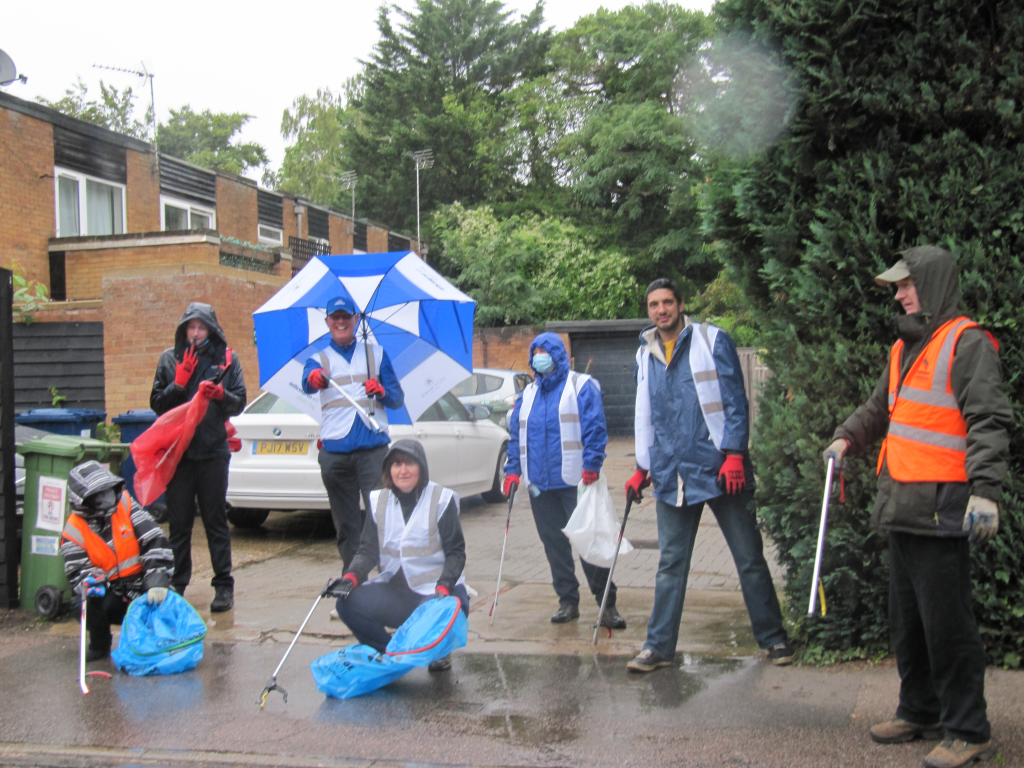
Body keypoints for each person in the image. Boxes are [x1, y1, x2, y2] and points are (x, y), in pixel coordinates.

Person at [823, 246, 1010, 768]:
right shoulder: (905, 348)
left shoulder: (967, 343)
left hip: (943, 508)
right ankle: (920, 710)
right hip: (902, 504)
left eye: (906, 285)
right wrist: (845, 439)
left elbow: (989, 420)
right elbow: (878, 409)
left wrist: (986, 491)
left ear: (932, 285)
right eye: (898, 288)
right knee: (907, 621)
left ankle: (969, 731)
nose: (899, 295)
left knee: (948, 626)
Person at [625, 277, 793, 672]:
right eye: (654, 304)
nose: (661, 310)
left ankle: (774, 638)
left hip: (721, 471)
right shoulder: (644, 355)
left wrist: (734, 454)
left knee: (748, 557)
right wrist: (641, 467)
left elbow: (735, 401)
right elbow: (647, 414)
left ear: (681, 304)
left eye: (667, 302)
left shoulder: (711, 340)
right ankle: (658, 648)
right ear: (648, 310)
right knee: (670, 565)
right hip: (672, 475)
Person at [502, 333, 625, 628]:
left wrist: (592, 463)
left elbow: (595, 427)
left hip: (575, 481)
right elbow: (517, 436)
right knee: (554, 545)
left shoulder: (580, 386)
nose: (539, 358)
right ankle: (567, 601)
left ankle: (607, 604)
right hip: (539, 485)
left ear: (558, 354)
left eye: (544, 352)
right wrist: (512, 470)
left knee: (588, 543)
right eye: (535, 353)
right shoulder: (527, 394)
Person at [331, 439, 468, 672]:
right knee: (347, 603)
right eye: (396, 464)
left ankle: (438, 651)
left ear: (421, 468)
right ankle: (390, 654)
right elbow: (367, 551)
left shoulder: (441, 499)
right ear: (388, 470)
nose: (402, 470)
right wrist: (350, 578)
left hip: (437, 593)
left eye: (409, 463)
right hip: (398, 593)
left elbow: (456, 553)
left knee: (441, 612)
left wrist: (445, 585)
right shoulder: (379, 501)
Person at [151, 302, 246, 612]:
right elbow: (158, 405)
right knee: (179, 524)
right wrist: (178, 384)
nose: (195, 333)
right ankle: (178, 583)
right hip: (178, 454)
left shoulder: (227, 359)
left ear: (211, 329)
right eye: (190, 327)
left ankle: (223, 586)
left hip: (213, 452)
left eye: (201, 327)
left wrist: (221, 395)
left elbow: (239, 403)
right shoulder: (169, 359)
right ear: (183, 330)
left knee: (215, 521)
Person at [302, 296, 404, 570]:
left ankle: (387, 578)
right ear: (327, 322)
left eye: (346, 316)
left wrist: (381, 391)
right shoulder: (317, 360)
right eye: (335, 317)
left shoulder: (377, 355)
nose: (340, 322)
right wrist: (313, 378)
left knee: (381, 517)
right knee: (346, 524)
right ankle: (353, 580)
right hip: (335, 453)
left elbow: (397, 399)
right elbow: (308, 383)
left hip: (373, 451)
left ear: (355, 320)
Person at [61, 461, 174, 661]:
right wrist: (92, 582)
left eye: (107, 492)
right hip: (110, 592)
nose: (106, 499)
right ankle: (100, 645)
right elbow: (77, 569)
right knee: (82, 603)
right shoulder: (73, 529)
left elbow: (154, 540)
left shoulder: (126, 504)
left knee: (167, 601)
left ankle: (157, 642)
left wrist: (157, 580)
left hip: (143, 585)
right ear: (82, 500)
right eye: (98, 496)